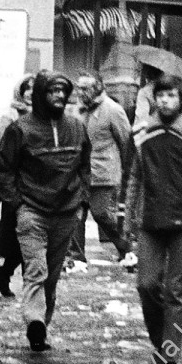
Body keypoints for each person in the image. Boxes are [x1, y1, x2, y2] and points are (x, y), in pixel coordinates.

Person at [124, 75, 182, 364]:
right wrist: (127, 222)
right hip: (149, 220)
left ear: (181, 100)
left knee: (176, 292)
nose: (164, 101)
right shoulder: (139, 133)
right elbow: (133, 178)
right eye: (159, 95)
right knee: (146, 285)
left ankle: (168, 356)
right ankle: (161, 341)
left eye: (171, 96)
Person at [0, 70, 91, 353]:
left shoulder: (76, 127)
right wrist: (17, 203)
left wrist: (82, 199)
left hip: (66, 211)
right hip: (32, 210)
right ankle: (34, 322)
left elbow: (85, 165)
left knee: (52, 275)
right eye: (52, 91)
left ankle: (42, 327)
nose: (59, 96)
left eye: (63, 90)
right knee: (36, 269)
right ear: (40, 95)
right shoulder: (20, 129)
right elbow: (3, 169)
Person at [67, 73, 133, 268]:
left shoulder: (113, 110)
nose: (81, 92)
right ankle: (76, 257)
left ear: (98, 88)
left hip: (104, 172)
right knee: (76, 214)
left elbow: (126, 142)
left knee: (102, 213)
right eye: (78, 88)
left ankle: (126, 247)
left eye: (85, 88)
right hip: (80, 172)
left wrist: (126, 173)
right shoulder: (77, 110)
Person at [0, 74, 36, 298]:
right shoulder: (10, 117)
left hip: (37, 185)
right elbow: (2, 151)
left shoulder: (45, 117)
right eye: (28, 87)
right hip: (17, 186)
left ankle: (11, 277)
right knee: (19, 239)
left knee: (32, 241)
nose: (31, 92)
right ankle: (9, 276)